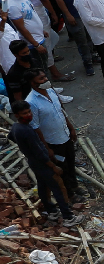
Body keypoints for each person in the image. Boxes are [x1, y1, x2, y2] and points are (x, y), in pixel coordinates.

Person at [9, 99, 81, 223]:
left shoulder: (16, 127)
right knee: (58, 188)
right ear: (17, 115)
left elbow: (10, 137)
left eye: (29, 111)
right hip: (42, 164)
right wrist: (53, 166)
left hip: (33, 163)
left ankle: (51, 211)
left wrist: (25, 149)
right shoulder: (27, 131)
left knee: (43, 187)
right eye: (24, 113)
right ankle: (68, 217)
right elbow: (40, 153)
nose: (28, 115)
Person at [26, 68, 82, 202]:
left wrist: (71, 128)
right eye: (41, 79)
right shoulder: (31, 102)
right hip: (53, 142)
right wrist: (47, 148)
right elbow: (36, 127)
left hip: (65, 135)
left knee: (70, 162)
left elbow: (61, 111)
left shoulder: (51, 91)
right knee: (62, 169)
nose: (46, 80)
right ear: (33, 83)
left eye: (45, 77)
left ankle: (74, 186)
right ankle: (69, 194)